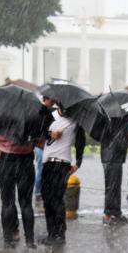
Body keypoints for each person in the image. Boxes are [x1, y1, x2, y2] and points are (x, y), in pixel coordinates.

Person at [39, 104, 85, 246]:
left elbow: (80, 142)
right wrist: (50, 135)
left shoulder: (75, 120)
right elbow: (40, 132)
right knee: (47, 199)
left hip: (63, 163)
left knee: (57, 199)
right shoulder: (49, 115)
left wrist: (78, 162)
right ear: (59, 104)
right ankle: (51, 234)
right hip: (47, 162)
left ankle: (60, 235)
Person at [0, 135, 38, 249]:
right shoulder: (33, 118)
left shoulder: (3, 117)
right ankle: (30, 241)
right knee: (26, 203)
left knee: (7, 203)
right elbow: (40, 142)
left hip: (6, 161)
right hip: (26, 161)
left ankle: (8, 241)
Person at [100, 116, 128, 226]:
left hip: (116, 157)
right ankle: (107, 215)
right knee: (111, 187)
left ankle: (116, 213)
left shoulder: (121, 119)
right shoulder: (109, 119)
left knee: (116, 187)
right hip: (110, 156)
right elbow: (107, 137)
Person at [34, 96, 56, 204]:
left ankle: (40, 192)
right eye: (52, 100)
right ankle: (38, 192)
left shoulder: (48, 112)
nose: (53, 102)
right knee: (41, 170)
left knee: (42, 170)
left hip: (43, 145)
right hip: (40, 146)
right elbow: (42, 131)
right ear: (46, 99)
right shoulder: (43, 112)